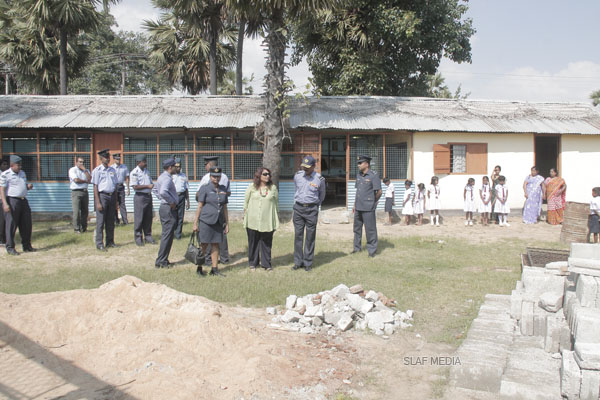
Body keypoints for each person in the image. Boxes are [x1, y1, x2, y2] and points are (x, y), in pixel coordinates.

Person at [194, 166, 229, 277]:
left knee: (215, 244)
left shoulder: (223, 189)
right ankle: (199, 268)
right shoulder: (204, 188)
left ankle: (214, 269)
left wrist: (227, 223)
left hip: (218, 221)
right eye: (214, 176)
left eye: (218, 177)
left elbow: (225, 208)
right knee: (204, 245)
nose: (216, 179)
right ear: (210, 177)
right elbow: (200, 206)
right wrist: (195, 223)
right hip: (206, 221)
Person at [292, 156, 325, 271]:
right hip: (298, 209)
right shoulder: (297, 176)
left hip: (311, 210)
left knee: (310, 237)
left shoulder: (319, 179)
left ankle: (307, 263)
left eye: (307, 167)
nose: (305, 169)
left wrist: (314, 205)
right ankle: (298, 262)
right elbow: (297, 189)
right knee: (298, 236)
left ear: (314, 166)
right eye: (303, 166)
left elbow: (322, 195)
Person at [244, 167, 280, 271]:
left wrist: (275, 217)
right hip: (253, 220)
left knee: (266, 243)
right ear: (259, 175)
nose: (267, 176)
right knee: (253, 242)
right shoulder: (252, 187)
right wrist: (245, 214)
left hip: (267, 221)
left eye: (268, 174)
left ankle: (266, 264)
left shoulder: (273, 188)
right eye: (265, 174)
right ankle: (253, 263)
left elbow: (276, 203)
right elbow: (246, 202)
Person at [0, 155, 35, 255]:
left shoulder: (22, 173)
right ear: (12, 165)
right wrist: (5, 204)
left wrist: (27, 187)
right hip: (12, 201)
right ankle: (10, 247)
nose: (20, 167)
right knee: (11, 225)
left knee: (26, 224)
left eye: (20, 165)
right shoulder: (5, 175)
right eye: (18, 165)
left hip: (23, 200)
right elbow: (2, 190)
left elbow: (21, 185)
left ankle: (27, 246)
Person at [352, 155, 382, 257]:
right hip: (358, 207)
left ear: (367, 164)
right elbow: (358, 192)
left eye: (360, 163)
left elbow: (379, 192)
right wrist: (354, 205)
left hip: (368, 207)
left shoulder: (373, 175)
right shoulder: (359, 175)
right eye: (358, 163)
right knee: (357, 229)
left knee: (370, 230)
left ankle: (372, 250)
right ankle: (357, 248)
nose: (358, 165)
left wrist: (373, 202)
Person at [154, 157, 179, 268]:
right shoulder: (167, 179)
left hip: (165, 207)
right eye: (174, 166)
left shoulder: (161, 177)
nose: (175, 168)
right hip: (168, 208)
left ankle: (163, 259)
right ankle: (161, 261)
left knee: (167, 235)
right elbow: (163, 192)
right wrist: (171, 201)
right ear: (170, 167)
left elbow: (155, 190)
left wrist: (162, 199)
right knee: (167, 235)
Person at [91, 149, 118, 251]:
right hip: (102, 196)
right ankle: (99, 243)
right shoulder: (97, 170)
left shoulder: (112, 170)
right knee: (101, 221)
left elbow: (115, 185)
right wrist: (98, 202)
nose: (107, 159)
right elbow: (95, 187)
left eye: (108, 157)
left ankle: (110, 241)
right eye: (105, 157)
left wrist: (116, 201)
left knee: (110, 221)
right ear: (101, 159)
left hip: (111, 196)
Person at [130, 154, 155, 246]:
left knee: (148, 218)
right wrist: (147, 186)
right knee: (139, 218)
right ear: (139, 162)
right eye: (144, 162)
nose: (146, 163)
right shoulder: (134, 172)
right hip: (140, 197)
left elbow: (151, 183)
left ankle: (148, 236)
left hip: (148, 196)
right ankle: (138, 238)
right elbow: (135, 186)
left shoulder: (147, 171)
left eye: (145, 161)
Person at [68, 157, 91, 233]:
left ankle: (84, 228)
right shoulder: (72, 170)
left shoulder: (86, 171)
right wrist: (85, 181)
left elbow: (90, 179)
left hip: (85, 191)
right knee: (76, 211)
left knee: (85, 211)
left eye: (83, 162)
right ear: (76, 162)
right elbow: (76, 180)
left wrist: (85, 170)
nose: (81, 163)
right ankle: (76, 228)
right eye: (80, 162)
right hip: (76, 192)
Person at [172, 158, 190, 240]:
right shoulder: (171, 176)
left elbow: (186, 189)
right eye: (176, 167)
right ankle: (173, 232)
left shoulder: (184, 176)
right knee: (173, 216)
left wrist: (188, 201)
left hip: (181, 197)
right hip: (173, 197)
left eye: (179, 167)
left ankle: (178, 235)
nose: (178, 168)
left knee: (180, 216)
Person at [111, 153, 130, 225]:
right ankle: (116, 220)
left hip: (121, 186)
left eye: (119, 159)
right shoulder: (111, 168)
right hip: (114, 187)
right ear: (114, 159)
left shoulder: (124, 167)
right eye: (116, 159)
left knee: (122, 204)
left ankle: (125, 221)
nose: (118, 160)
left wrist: (128, 188)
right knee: (114, 204)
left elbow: (127, 178)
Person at [0, 158, 9, 247]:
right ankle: (2, 239)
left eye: (7, 164)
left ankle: (5, 238)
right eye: (4, 164)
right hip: (1, 199)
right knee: (2, 220)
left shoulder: (6, 174)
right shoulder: (1, 175)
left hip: (6, 199)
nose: (6, 166)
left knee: (6, 220)